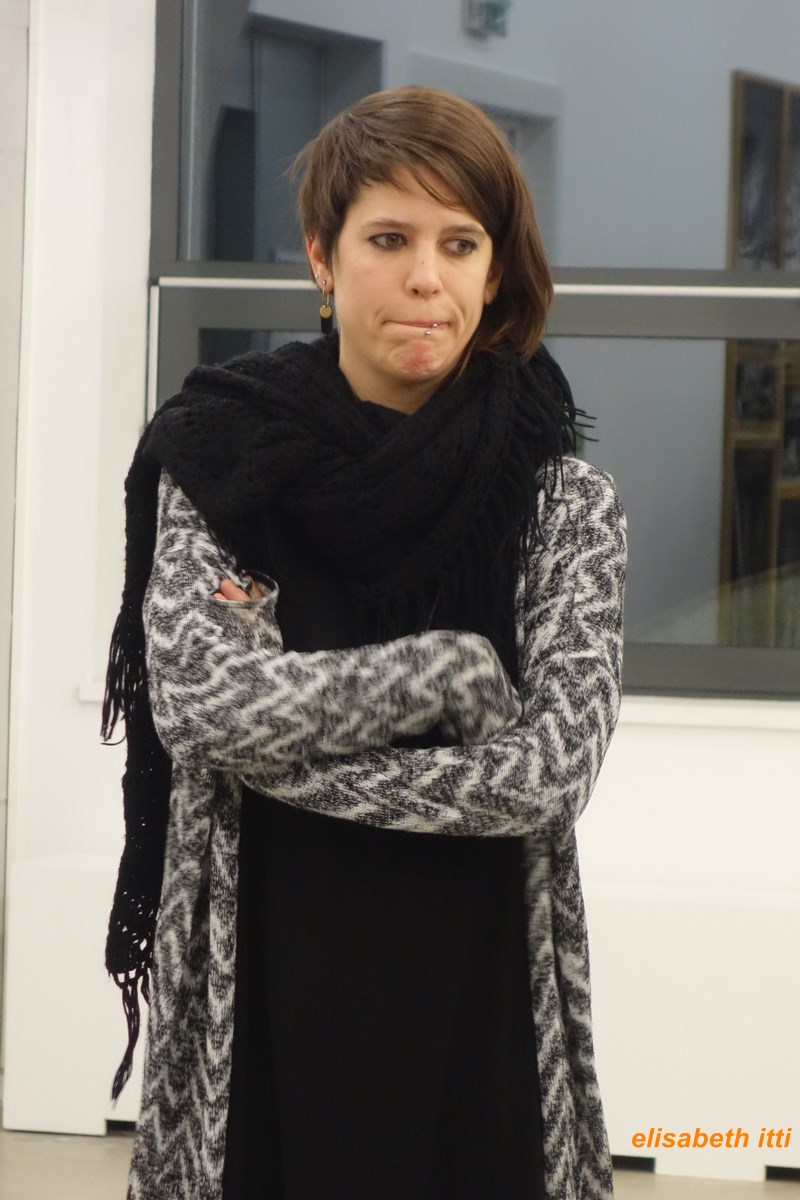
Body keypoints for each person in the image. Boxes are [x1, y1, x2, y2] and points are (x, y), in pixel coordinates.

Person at [102, 86, 626, 1200]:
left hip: (482, 995)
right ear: (322, 257)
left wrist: (283, 753)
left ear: (494, 270)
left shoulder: (561, 505)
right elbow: (200, 704)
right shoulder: (223, 464)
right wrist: (451, 675)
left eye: (459, 243)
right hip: (261, 985)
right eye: (388, 239)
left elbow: (547, 773)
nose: (425, 278)